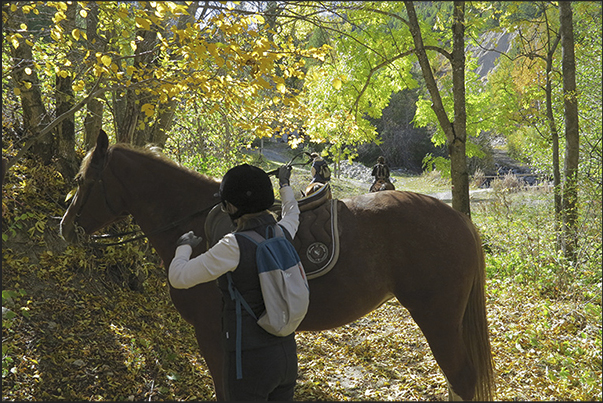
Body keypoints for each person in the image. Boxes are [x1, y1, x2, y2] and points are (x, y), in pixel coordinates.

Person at [168, 163, 300, 401]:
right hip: (287, 356)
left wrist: (183, 247)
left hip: (248, 363)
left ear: (229, 206)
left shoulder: (233, 246)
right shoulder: (282, 232)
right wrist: (285, 186)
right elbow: (292, 213)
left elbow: (179, 277)